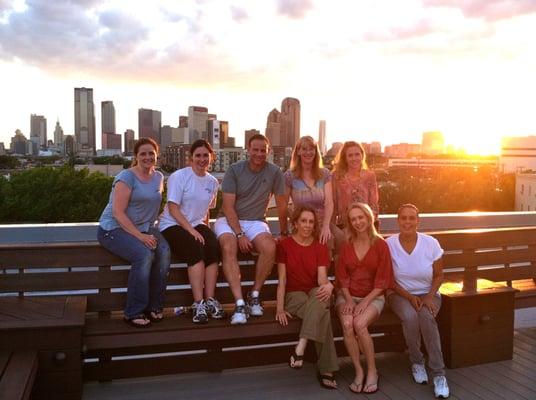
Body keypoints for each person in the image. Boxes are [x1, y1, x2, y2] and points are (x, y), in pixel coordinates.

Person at [214, 133, 287, 325]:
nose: (259, 154)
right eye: (255, 149)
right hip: (229, 220)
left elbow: (281, 205)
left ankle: (254, 294)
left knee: (270, 247)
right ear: (248, 149)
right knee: (229, 246)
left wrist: (284, 232)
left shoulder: (275, 172)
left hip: (256, 221)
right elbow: (228, 206)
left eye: (263, 150)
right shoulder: (234, 170)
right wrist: (239, 234)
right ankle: (238, 303)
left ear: (268, 151)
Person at [97, 138, 171, 328]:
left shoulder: (158, 177)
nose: (147, 157)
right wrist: (140, 237)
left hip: (144, 227)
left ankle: (154, 306)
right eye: (143, 154)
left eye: (150, 153)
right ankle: (133, 311)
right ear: (136, 157)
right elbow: (118, 213)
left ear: (157, 155)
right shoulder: (126, 177)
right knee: (144, 255)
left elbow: (154, 207)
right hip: (113, 229)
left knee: (164, 252)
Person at [386, 204, 449, 399]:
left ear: (418, 221)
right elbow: (389, 280)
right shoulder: (388, 244)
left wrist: (429, 296)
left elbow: (439, 275)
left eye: (411, 218)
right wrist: (409, 297)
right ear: (398, 221)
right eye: (403, 218)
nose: (407, 222)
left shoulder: (431, 243)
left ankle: (439, 374)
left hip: (428, 293)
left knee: (426, 317)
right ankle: (417, 362)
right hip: (399, 294)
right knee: (410, 316)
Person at [159, 139, 224, 324]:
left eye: (205, 155)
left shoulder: (212, 182)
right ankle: (198, 303)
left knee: (213, 247)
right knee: (195, 249)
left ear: (211, 157)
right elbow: (173, 208)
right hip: (172, 224)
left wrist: (207, 232)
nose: (202, 159)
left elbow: (206, 211)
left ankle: (210, 300)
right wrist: (191, 231)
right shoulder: (179, 177)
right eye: (198, 155)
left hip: (196, 223)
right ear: (191, 158)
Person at [275, 205, 339, 389]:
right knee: (323, 313)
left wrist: (329, 285)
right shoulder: (285, 245)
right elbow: (282, 279)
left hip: (313, 291)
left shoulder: (319, 246)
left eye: (311, 222)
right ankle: (327, 369)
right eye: (303, 221)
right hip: (293, 295)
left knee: (320, 298)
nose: (307, 225)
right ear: (295, 223)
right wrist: (279, 308)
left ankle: (300, 347)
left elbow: (321, 280)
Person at [335, 202, 393, 394]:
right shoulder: (346, 244)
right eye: (353, 219)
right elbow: (341, 277)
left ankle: (372, 371)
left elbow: (384, 280)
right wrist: (350, 300)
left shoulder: (381, 245)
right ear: (350, 223)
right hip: (347, 295)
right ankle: (359, 371)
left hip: (373, 296)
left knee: (359, 324)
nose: (358, 222)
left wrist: (366, 301)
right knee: (347, 324)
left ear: (368, 218)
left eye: (361, 217)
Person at [283, 136, 334, 245]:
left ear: (316, 152)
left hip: (322, 222)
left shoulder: (325, 174)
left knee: (336, 238)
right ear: (298, 152)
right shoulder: (289, 176)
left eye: (311, 149)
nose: (308, 152)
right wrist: (295, 220)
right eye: (304, 149)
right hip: (301, 224)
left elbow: (329, 203)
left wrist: (325, 226)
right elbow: (283, 204)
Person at [332, 141, 379, 250]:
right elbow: (333, 203)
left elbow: (374, 204)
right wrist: (334, 229)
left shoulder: (370, 176)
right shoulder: (336, 177)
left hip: (367, 228)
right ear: (345, 158)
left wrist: (368, 228)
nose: (354, 158)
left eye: (357, 154)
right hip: (344, 228)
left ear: (362, 155)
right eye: (350, 155)